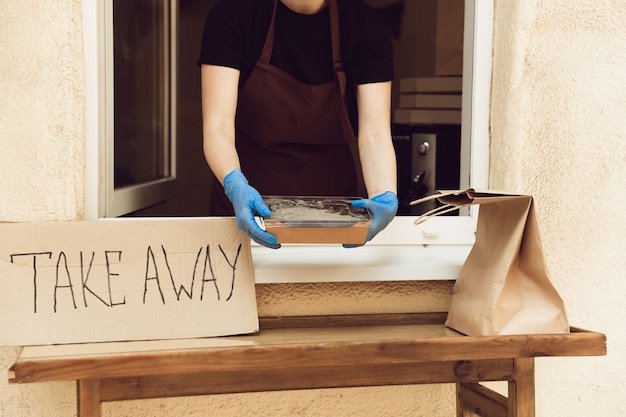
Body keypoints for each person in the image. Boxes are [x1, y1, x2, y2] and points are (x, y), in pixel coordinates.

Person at [199, 0, 398, 249]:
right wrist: (234, 184)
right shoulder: (232, 16)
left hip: (334, 217)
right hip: (245, 213)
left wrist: (384, 194)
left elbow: (375, 135)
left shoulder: (365, 26)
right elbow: (217, 127)